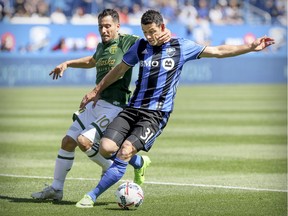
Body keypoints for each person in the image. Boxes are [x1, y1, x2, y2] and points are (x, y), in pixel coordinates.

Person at [75, 9, 275, 208]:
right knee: (106, 148)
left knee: (125, 150)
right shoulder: (141, 46)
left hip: (155, 114)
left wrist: (250, 46)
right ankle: (139, 163)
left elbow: (217, 51)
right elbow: (119, 69)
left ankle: (91, 196)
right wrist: (96, 90)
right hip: (132, 108)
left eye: (153, 31)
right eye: (146, 32)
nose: (150, 37)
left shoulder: (181, 46)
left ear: (162, 27)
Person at [31, 9, 171, 202]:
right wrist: (68, 63)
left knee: (84, 141)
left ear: (117, 27)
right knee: (68, 142)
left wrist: (167, 32)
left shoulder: (127, 41)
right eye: (100, 27)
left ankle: (110, 170)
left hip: (115, 105)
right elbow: (91, 61)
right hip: (96, 103)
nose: (104, 30)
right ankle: (56, 188)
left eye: (108, 26)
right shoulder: (101, 46)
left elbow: (149, 38)